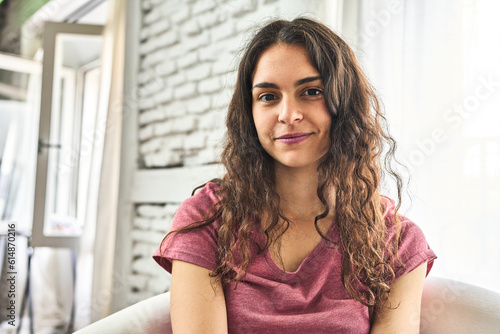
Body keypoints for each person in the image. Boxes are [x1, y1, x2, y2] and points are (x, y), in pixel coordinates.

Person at [153, 17, 436, 333]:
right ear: (250, 112)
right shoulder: (208, 218)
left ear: (345, 105)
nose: (288, 115)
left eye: (311, 91)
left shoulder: (396, 240)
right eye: (268, 97)